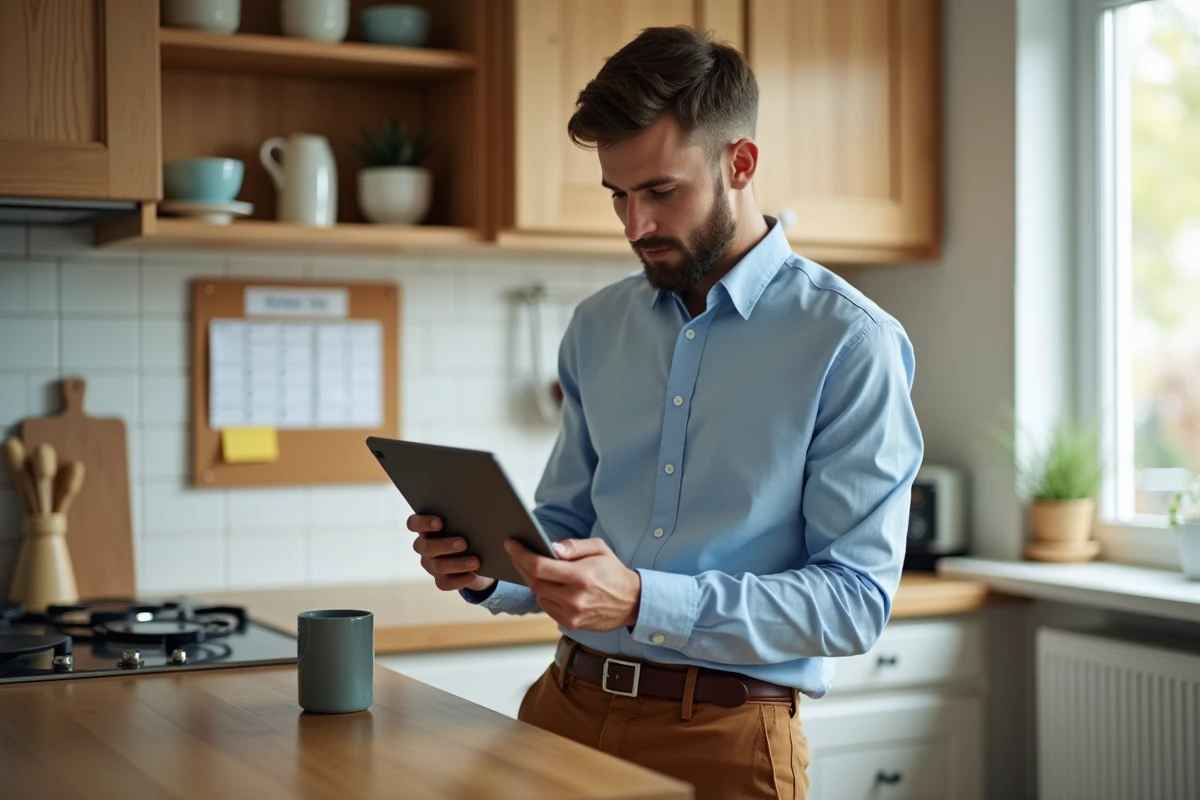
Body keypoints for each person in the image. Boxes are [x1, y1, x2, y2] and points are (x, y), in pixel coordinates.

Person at [407, 24, 923, 800]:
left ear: (740, 163)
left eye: (660, 191)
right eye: (618, 194)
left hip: (726, 737)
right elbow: (565, 526)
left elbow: (855, 604)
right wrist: (486, 568)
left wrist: (645, 599)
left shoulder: (851, 342)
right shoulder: (596, 326)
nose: (634, 226)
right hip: (562, 709)